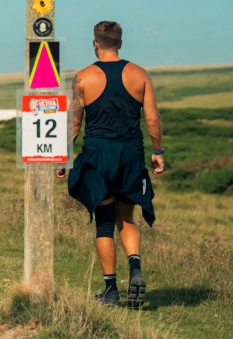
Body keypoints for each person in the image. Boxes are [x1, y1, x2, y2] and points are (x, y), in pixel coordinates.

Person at [57, 21, 165, 308]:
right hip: (130, 154)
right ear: (120, 42)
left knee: (104, 222)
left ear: (95, 44)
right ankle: (136, 269)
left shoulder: (82, 78)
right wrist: (158, 151)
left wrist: (63, 157)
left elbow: (74, 123)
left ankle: (111, 291)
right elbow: (152, 119)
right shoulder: (140, 75)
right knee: (127, 218)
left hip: (98, 155)